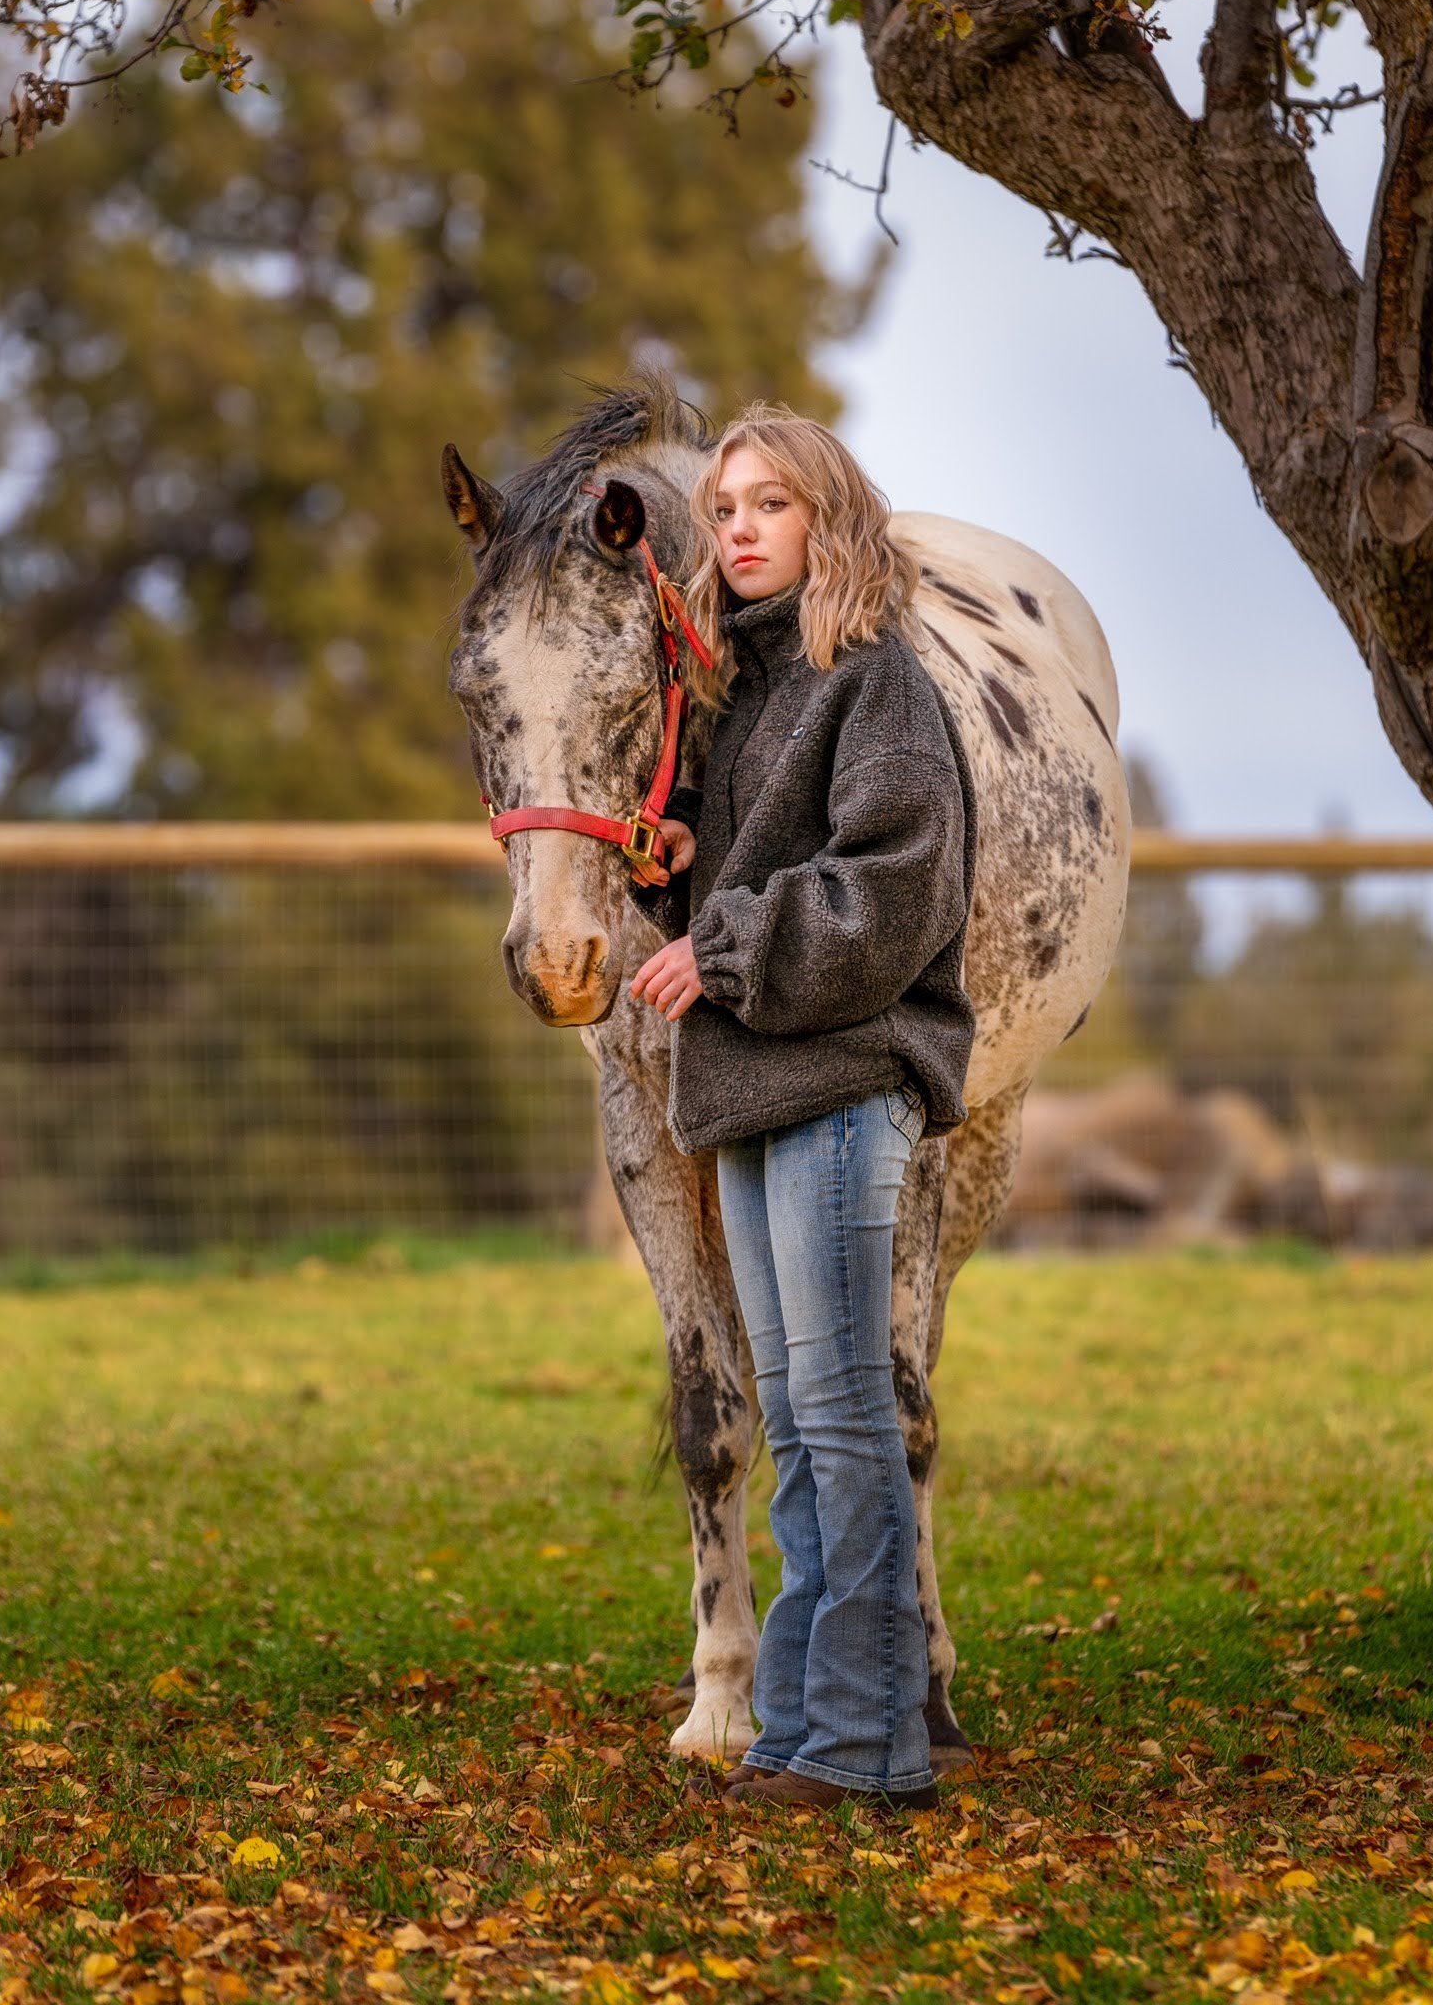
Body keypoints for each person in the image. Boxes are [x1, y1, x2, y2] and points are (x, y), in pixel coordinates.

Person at [627, 405, 977, 1815]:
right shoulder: (753, 699)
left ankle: (870, 1745)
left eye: (774, 502)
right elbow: (754, 889)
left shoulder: (877, 685)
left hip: (843, 1088)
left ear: (830, 519)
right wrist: (675, 879)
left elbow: (889, 891)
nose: (745, 529)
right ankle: (799, 1725)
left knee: (841, 1423)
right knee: (797, 1427)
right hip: (759, 1092)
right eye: (726, 510)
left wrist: (714, 944)